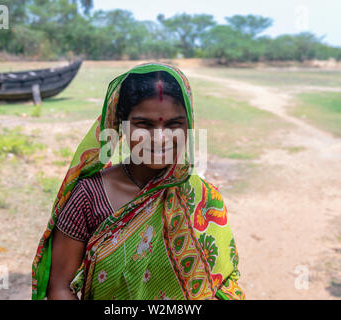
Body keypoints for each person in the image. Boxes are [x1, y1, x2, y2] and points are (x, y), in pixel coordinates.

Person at [32, 62, 245, 300]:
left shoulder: (201, 197)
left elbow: (225, 282)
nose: (160, 138)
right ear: (121, 124)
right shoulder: (88, 195)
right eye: (144, 124)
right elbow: (59, 287)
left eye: (174, 124)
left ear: (189, 126)